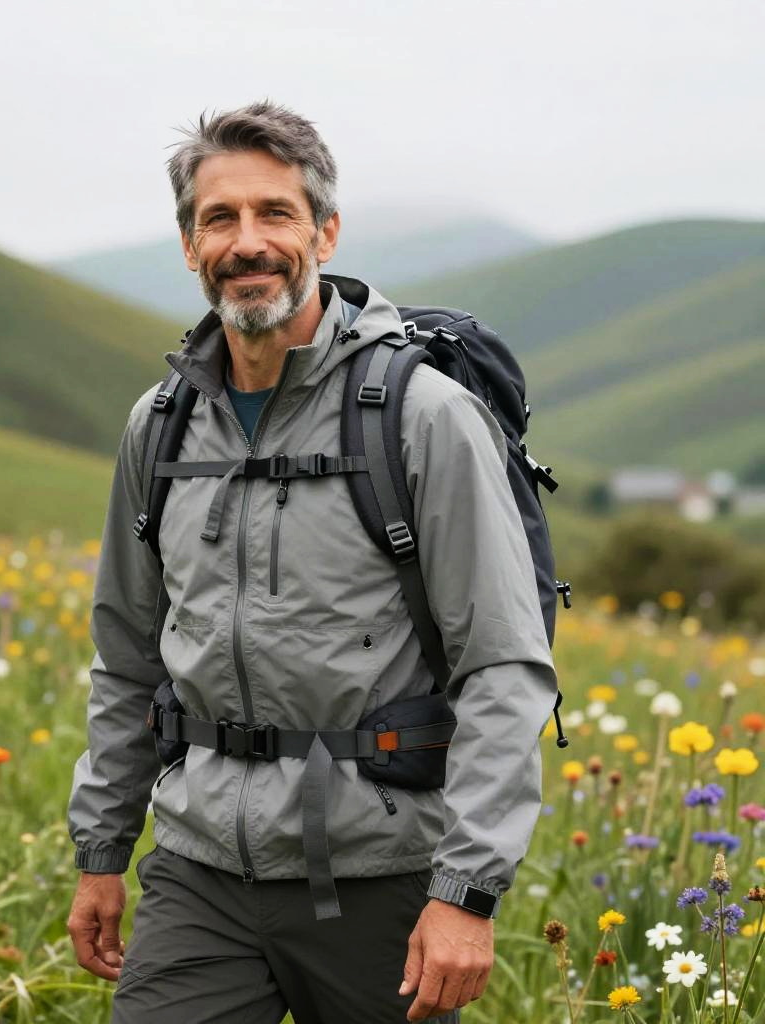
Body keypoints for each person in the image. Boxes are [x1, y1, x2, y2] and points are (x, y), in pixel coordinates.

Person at [66, 100, 558, 1023]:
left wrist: (468, 891)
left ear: (324, 231)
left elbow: (503, 664)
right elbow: (126, 654)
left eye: (275, 214)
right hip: (199, 875)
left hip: (384, 878)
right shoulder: (161, 424)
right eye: (219, 218)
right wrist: (101, 850)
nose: (247, 243)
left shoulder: (422, 417)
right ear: (189, 244)